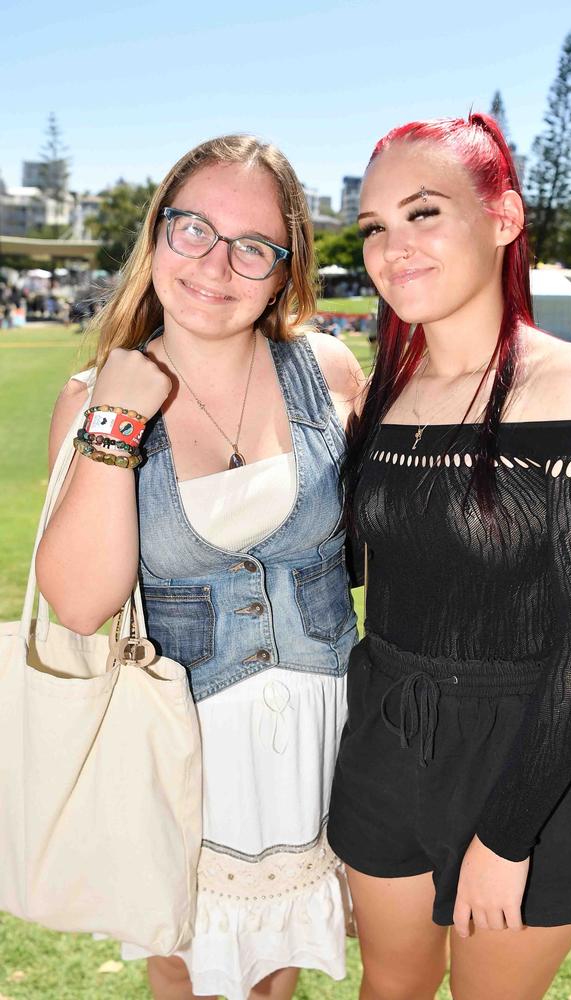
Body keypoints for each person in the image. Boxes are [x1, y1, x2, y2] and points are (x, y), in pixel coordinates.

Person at [36, 134, 363, 1000]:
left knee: (274, 970)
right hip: (182, 744)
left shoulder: (328, 371)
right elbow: (76, 603)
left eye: (253, 246)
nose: (217, 265)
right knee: (186, 968)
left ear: (286, 268)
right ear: (157, 235)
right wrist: (115, 423)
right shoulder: (93, 394)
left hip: (320, 736)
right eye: (194, 230)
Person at [326, 114, 571, 1000]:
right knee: (389, 989)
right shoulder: (380, 396)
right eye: (375, 228)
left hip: (529, 763)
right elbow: (347, 571)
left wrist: (507, 840)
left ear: (502, 218)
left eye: (423, 213)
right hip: (385, 742)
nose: (393, 247)